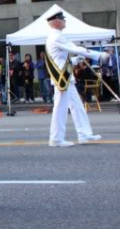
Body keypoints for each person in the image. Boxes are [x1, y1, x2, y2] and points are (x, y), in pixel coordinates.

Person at [45, 12, 106, 147]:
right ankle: (56, 139)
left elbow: (61, 58)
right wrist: (98, 55)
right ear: (56, 22)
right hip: (61, 78)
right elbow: (75, 48)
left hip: (66, 76)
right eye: (62, 19)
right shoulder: (56, 36)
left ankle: (83, 134)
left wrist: (75, 60)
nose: (64, 21)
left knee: (77, 106)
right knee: (60, 108)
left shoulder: (56, 36)